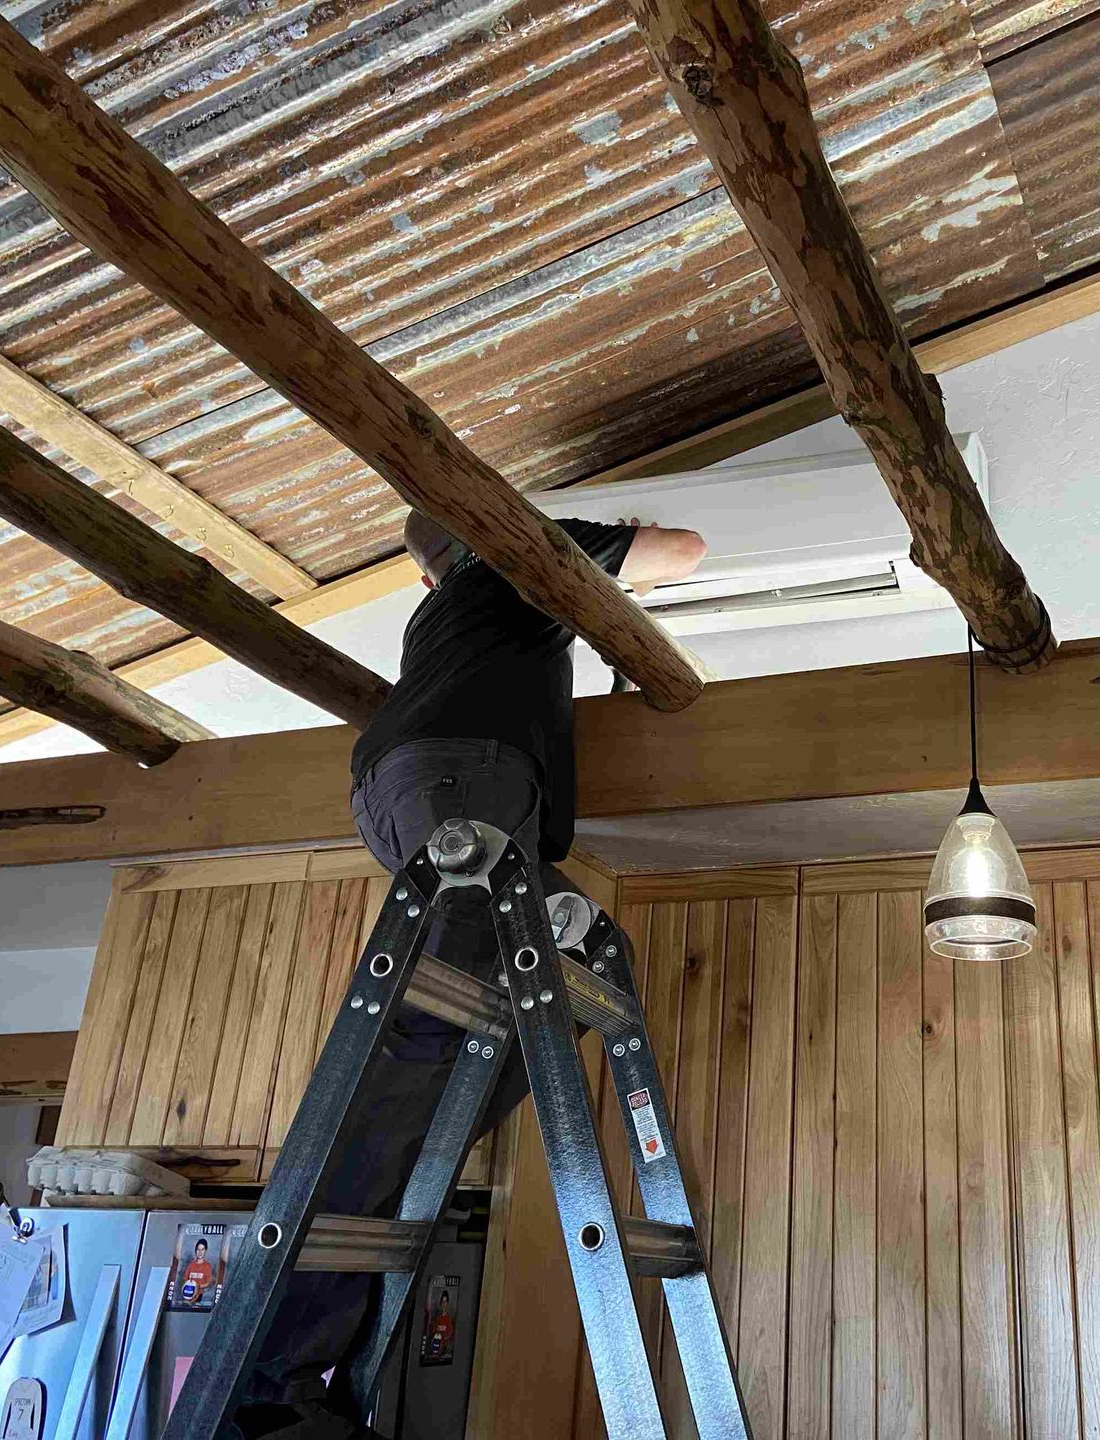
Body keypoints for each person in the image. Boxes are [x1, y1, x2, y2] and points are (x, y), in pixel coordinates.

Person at [232, 509, 705, 1439]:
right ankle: (272, 1393)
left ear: (421, 578)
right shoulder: (513, 559)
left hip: (419, 791)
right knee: (409, 1069)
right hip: (461, 787)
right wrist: (603, 537)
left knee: (589, 969)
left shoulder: (442, 615)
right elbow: (684, 551)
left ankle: (303, 1346)